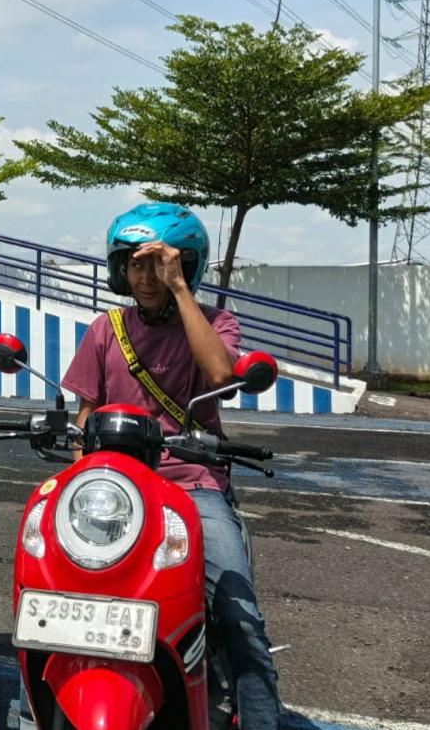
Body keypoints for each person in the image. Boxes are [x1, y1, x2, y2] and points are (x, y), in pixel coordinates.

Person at [61, 202, 282, 730]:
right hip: (115, 489)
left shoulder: (216, 322)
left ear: (186, 267)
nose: (146, 278)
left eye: (160, 265)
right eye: (135, 265)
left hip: (191, 483)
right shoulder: (106, 328)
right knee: (54, 591)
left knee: (238, 613)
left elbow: (220, 374)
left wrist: (180, 289)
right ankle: (36, 709)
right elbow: (85, 415)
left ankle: (261, 719)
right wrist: (78, 473)